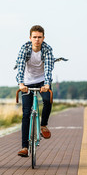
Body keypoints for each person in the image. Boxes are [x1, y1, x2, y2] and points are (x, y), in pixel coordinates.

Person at [15, 25, 54, 157]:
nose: (37, 40)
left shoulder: (47, 49)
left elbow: (48, 68)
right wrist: (21, 83)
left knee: (47, 100)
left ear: (43, 38)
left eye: (39, 37)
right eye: (34, 37)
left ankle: (43, 125)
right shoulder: (25, 48)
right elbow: (20, 66)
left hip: (43, 81)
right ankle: (24, 147)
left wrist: (47, 84)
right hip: (27, 82)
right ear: (30, 38)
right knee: (26, 113)